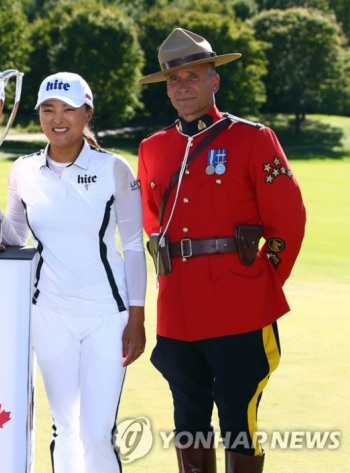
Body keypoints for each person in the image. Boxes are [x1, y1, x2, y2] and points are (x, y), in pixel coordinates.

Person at [137, 28, 306, 473]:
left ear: (215, 80)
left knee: (238, 419)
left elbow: (288, 220)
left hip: (241, 306)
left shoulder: (252, 139)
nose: (183, 86)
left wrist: (263, 280)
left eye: (193, 75)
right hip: (178, 309)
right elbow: (153, 223)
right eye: (174, 80)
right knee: (188, 420)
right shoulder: (153, 149)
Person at [0, 72, 147, 473]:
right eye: (48, 110)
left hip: (107, 315)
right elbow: (17, 237)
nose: (58, 118)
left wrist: (136, 318)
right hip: (50, 315)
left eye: (69, 110)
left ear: (87, 114)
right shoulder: (24, 170)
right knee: (65, 427)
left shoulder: (114, 169)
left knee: (96, 431)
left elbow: (135, 247)